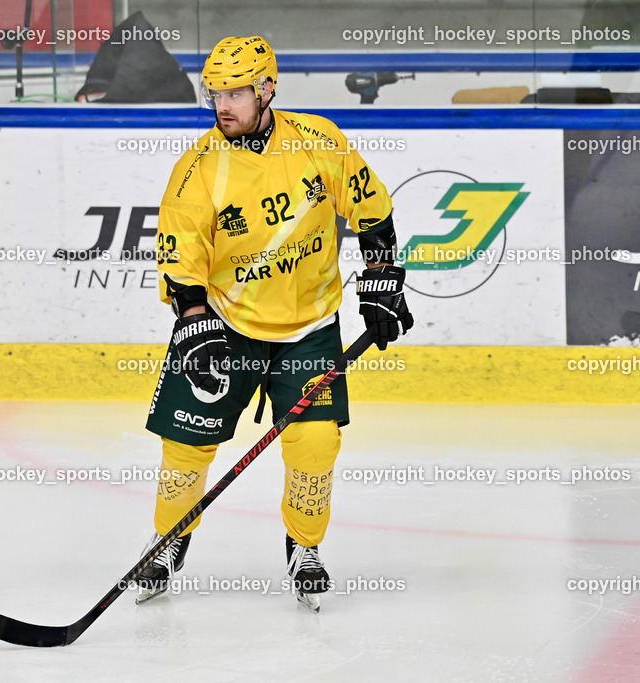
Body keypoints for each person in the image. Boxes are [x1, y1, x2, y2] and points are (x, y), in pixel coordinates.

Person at [136, 35, 413, 612]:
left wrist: (385, 281)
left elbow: (372, 211)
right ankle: (167, 541)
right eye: (215, 93)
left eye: (235, 92)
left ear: (266, 89)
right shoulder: (197, 170)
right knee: (185, 443)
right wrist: (193, 324)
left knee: (314, 443)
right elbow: (180, 259)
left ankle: (304, 547)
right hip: (225, 326)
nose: (222, 106)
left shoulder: (319, 140)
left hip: (309, 326)